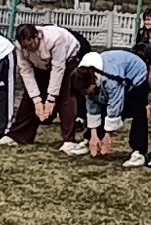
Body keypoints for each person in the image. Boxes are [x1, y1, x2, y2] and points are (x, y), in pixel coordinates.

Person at [8, 21, 91, 149]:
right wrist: (37, 101)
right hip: (41, 65)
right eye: (25, 46)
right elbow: (26, 71)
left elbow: (58, 69)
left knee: (66, 96)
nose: (29, 49)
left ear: (37, 37)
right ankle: (18, 136)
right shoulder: (20, 47)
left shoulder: (56, 38)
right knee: (28, 98)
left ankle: (69, 140)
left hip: (68, 60)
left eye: (31, 44)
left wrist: (51, 99)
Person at [74, 48, 151, 164]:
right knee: (100, 107)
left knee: (137, 111)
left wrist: (108, 136)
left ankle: (139, 152)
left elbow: (115, 105)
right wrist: (93, 135)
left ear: (92, 81)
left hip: (136, 75)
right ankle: (91, 141)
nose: (87, 94)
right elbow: (92, 108)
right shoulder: (84, 77)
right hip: (116, 75)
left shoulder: (111, 78)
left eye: (87, 90)